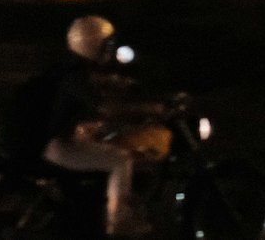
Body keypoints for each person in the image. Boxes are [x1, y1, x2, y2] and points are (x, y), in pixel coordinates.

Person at [14, 15, 157, 238]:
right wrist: (149, 110)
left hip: (58, 138)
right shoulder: (74, 77)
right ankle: (118, 222)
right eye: (105, 46)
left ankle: (102, 202)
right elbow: (104, 108)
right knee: (122, 159)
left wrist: (120, 83)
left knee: (105, 139)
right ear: (91, 45)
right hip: (56, 145)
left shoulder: (70, 68)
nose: (109, 51)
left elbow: (97, 86)